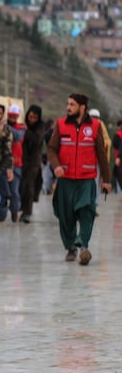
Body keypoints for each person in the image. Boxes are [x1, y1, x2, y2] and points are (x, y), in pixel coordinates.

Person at [48, 94, 111, 266]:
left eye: (72, 104)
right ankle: (71, 247)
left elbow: (101, 154)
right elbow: (51, 149)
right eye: (68, 104)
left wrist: (106, 179)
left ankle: (83, 246)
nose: (68, 107)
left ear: (82, 107)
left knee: (87, 212)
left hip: (86, 180)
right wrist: (56, 166)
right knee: (66, 216)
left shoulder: (95, 126)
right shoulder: (61, 124)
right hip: (66, 180)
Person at [0, 104, 25, 222]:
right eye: (10, 116)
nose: (12, 118)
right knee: (2, 191)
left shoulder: (21, 128)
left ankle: (14, 212)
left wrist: (5, 125)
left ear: (17, 117)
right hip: (2, 164)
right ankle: (1, 216)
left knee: (14, 192)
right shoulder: (0, 126)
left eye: (14, 116)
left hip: (16, 165)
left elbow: (17, 137)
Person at [19, 105, 47, 224]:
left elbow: (37, 139)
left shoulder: (41, 126)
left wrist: (26, 130)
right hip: (21, 160)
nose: (32, 120)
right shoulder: (22, 123)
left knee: (29, 186)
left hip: (34, 162)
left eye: (35, 117)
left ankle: (27, 212)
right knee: (20, 185)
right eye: (30, 117)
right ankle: (20, 207)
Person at [88, 108, 111, 207]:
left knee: (95, 181)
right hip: (89, 158)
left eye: (95, 117)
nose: (94, 119)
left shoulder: (100, 125)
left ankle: (94, 203)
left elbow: (107, 142)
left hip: (96, 158)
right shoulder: (88, 124)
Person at [111, 120, 122, 191]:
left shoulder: (117, 135)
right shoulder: (117, 134)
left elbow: (115, 145)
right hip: (118, 156)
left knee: (118, 173)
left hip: (119, 156)